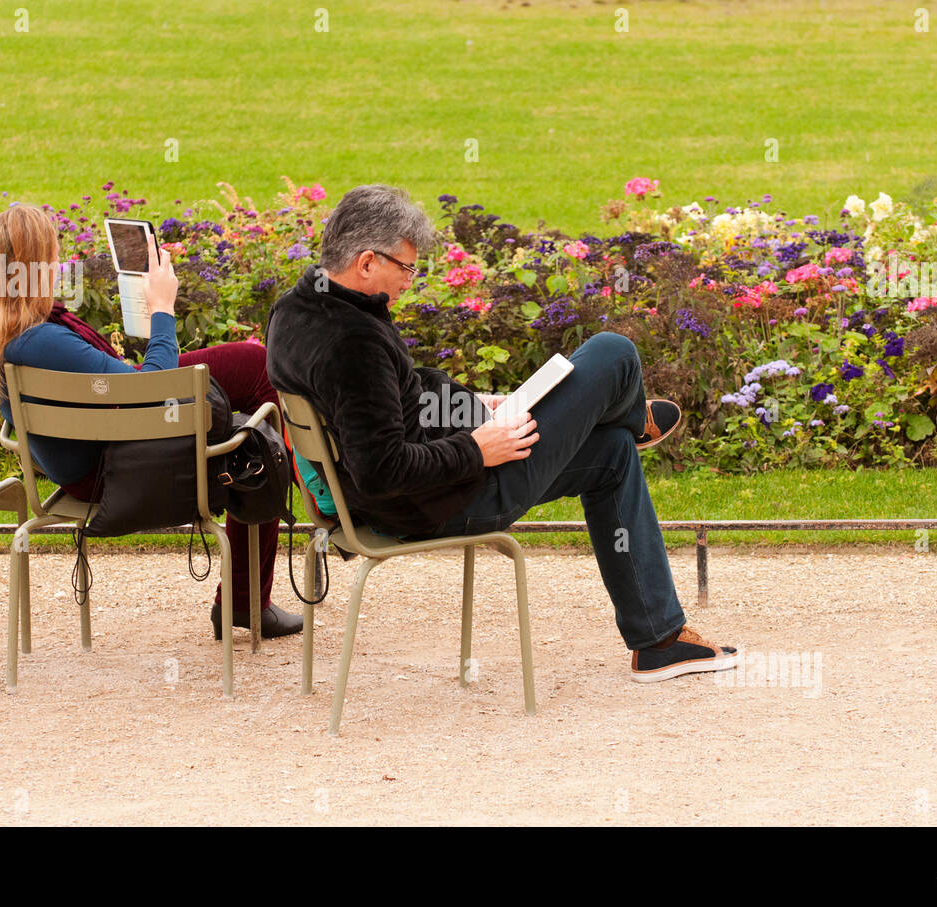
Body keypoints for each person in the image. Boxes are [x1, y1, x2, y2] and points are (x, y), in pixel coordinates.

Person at [266, 185, 738, 682]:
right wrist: (476, 449)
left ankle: (659, 641)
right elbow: (382, 469)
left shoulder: (298, 309)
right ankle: (631, 417)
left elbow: (398, 392)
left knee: (613, 454)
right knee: (613, 353)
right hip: (443, 499)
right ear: (365, 262)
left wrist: (472, 406)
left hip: (398, 492)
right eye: (406, 267)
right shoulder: (352, 344)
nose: (411, 280)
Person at [0, 204, 301, 639]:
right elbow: (152, 392)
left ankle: (256, 582)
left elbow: (123, 386)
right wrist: (162, 308)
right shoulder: (42, 342)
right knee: (254, 447)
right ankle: (291, 542)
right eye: (53, 255)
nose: (61, 264)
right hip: (120, 472)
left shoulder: (3, 331)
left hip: (106, 448)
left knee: (251, 362)